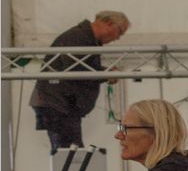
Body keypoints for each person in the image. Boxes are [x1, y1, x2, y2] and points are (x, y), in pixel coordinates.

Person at [30, 11, 131, 152]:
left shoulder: (84, 37)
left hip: (61, 104)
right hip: (59, 104)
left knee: (70, 151)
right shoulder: (80, 37)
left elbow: (79, 68)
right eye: (119, 32)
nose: (117, 38)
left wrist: (105, 73)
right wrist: (106, 74)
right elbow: (76, 70)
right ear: (109, 24)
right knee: (70, 152)